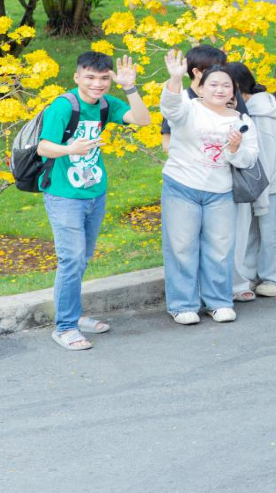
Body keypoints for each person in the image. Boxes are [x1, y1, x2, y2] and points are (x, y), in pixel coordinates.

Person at [38, 52, 152, 351]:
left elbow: (142, 120)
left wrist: (130, 88)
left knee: (81, 259)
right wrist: (71, 149)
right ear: (76, 77)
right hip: (64, 195)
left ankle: (73, 317)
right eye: (89, 77)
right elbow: (44, 148)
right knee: (71, 259)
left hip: (94, 193)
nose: (97, 84)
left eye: (104, 78)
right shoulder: (64, 106)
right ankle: (64, 327)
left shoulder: (105, 105)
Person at [160, 49, 261, 326]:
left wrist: (235, 149)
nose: (219, 90)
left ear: (233, 91)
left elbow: (249, 158)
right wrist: (174, 79)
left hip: (220, 191)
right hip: (182, 187)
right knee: (181, 246)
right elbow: (169, 109)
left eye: (226, 86)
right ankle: (182, 304)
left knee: (220, 247)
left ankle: (218, 302)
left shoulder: (241, 121)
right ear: (200, 87)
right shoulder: (187, 108)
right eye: (213, 84)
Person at [225, 62, 276, 301]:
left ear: (237, 87)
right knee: (254, 231)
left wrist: (259, 190)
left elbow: (269, 157)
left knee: (273, 229)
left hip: (270, 183)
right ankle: (254, 274)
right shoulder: (246, 110)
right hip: (254, 183)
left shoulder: (262, 113)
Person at [161, 45, 227, 152]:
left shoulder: (226, 99)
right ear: (197, 72)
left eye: (223, 69)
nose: (221, 73)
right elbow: (166, 144)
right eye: (214, 69)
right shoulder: (181, 101)